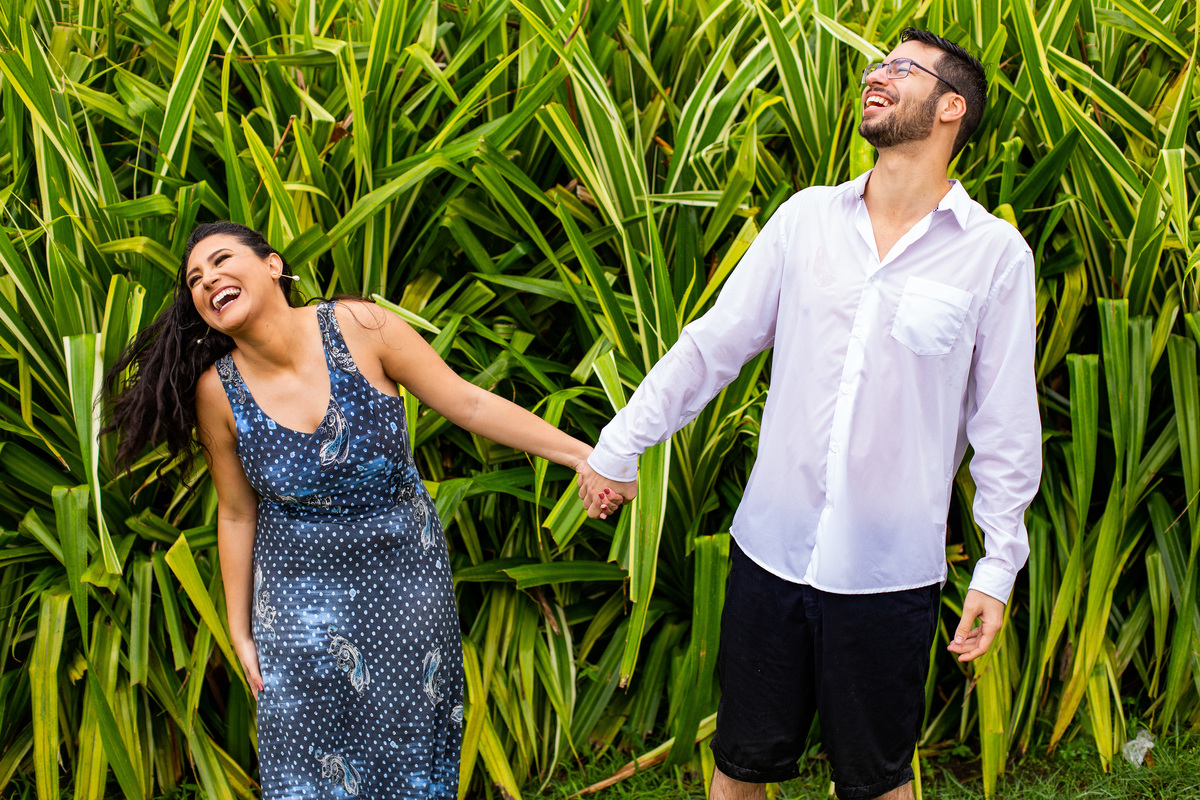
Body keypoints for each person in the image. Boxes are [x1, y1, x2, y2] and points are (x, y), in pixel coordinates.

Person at [576, 28, 1040, 800]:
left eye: (902, 68)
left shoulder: (993, 256)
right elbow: (712, 346)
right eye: (878, 63)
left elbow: (1004, 426)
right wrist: (620, 445)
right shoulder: (804, 221)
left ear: (951, 107)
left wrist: (997, 566)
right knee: (739, 769)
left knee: (878, 783)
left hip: (890, 574)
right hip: (771, 555)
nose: (876, 75)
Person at [105, 221, 622, 799]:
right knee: (305, 766)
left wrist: (588, 458)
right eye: (195, 281)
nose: (209, 281)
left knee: (411, 752)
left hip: (405, 582)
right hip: (297, 608)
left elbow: (469, 403)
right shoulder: (217, 392)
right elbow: (235, 513)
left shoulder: (359, 327)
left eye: (222, 261)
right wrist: (239, 626)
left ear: (273, 266)